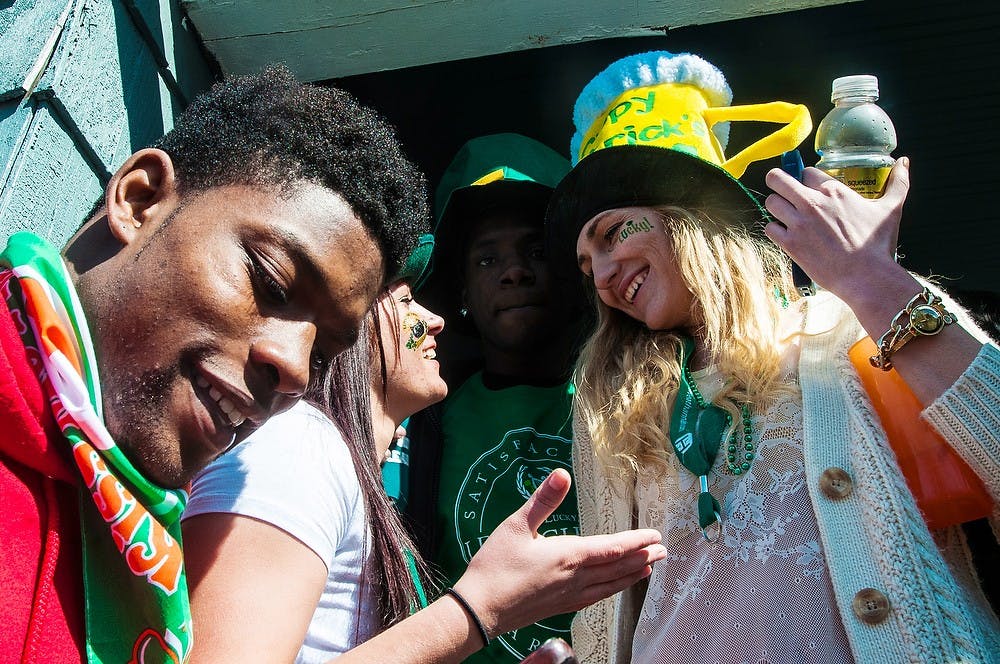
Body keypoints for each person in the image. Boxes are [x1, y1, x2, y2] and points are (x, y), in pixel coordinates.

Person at [544, 51, 1000, 663]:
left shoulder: (855, 326)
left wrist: (870, 281)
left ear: (693, 221)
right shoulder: (614, 399)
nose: (601, 275)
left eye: (614, 234)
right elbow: (609, 628)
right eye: (585, 264)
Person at [1, 65, 427, 663]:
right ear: (141, 199)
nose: (296, 370)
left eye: (325, 354)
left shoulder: (132, 533)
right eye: (271, 283)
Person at [183, 265, 666, 662]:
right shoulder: (297, 444)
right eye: (407, 299)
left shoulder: (337, 465)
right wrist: (478, 609)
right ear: (346, 324)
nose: (435, 320)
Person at [404, 133, 586, 662]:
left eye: (536, 250)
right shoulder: (422, 426)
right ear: (460, 293)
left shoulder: (631, 402)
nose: (514, 271)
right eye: (486, 260)